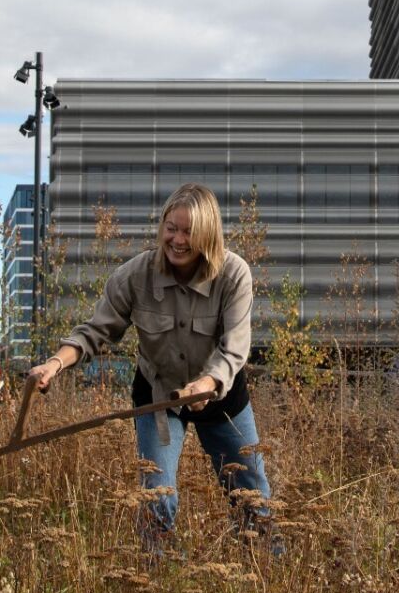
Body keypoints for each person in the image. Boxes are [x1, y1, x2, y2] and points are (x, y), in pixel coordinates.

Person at [29, 183, 276, 547]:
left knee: (251, 491)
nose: (177, 239)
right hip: (159, 398)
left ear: (207, 234)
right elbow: (95, 331)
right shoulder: (134, 275)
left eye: (188, 232)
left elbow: (235, 348)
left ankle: (266, 562)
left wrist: (206, 384)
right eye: (171, 228)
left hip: (221, 398)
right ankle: (155, 574)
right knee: (157, 494)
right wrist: (54, 364)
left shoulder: (234, 274)